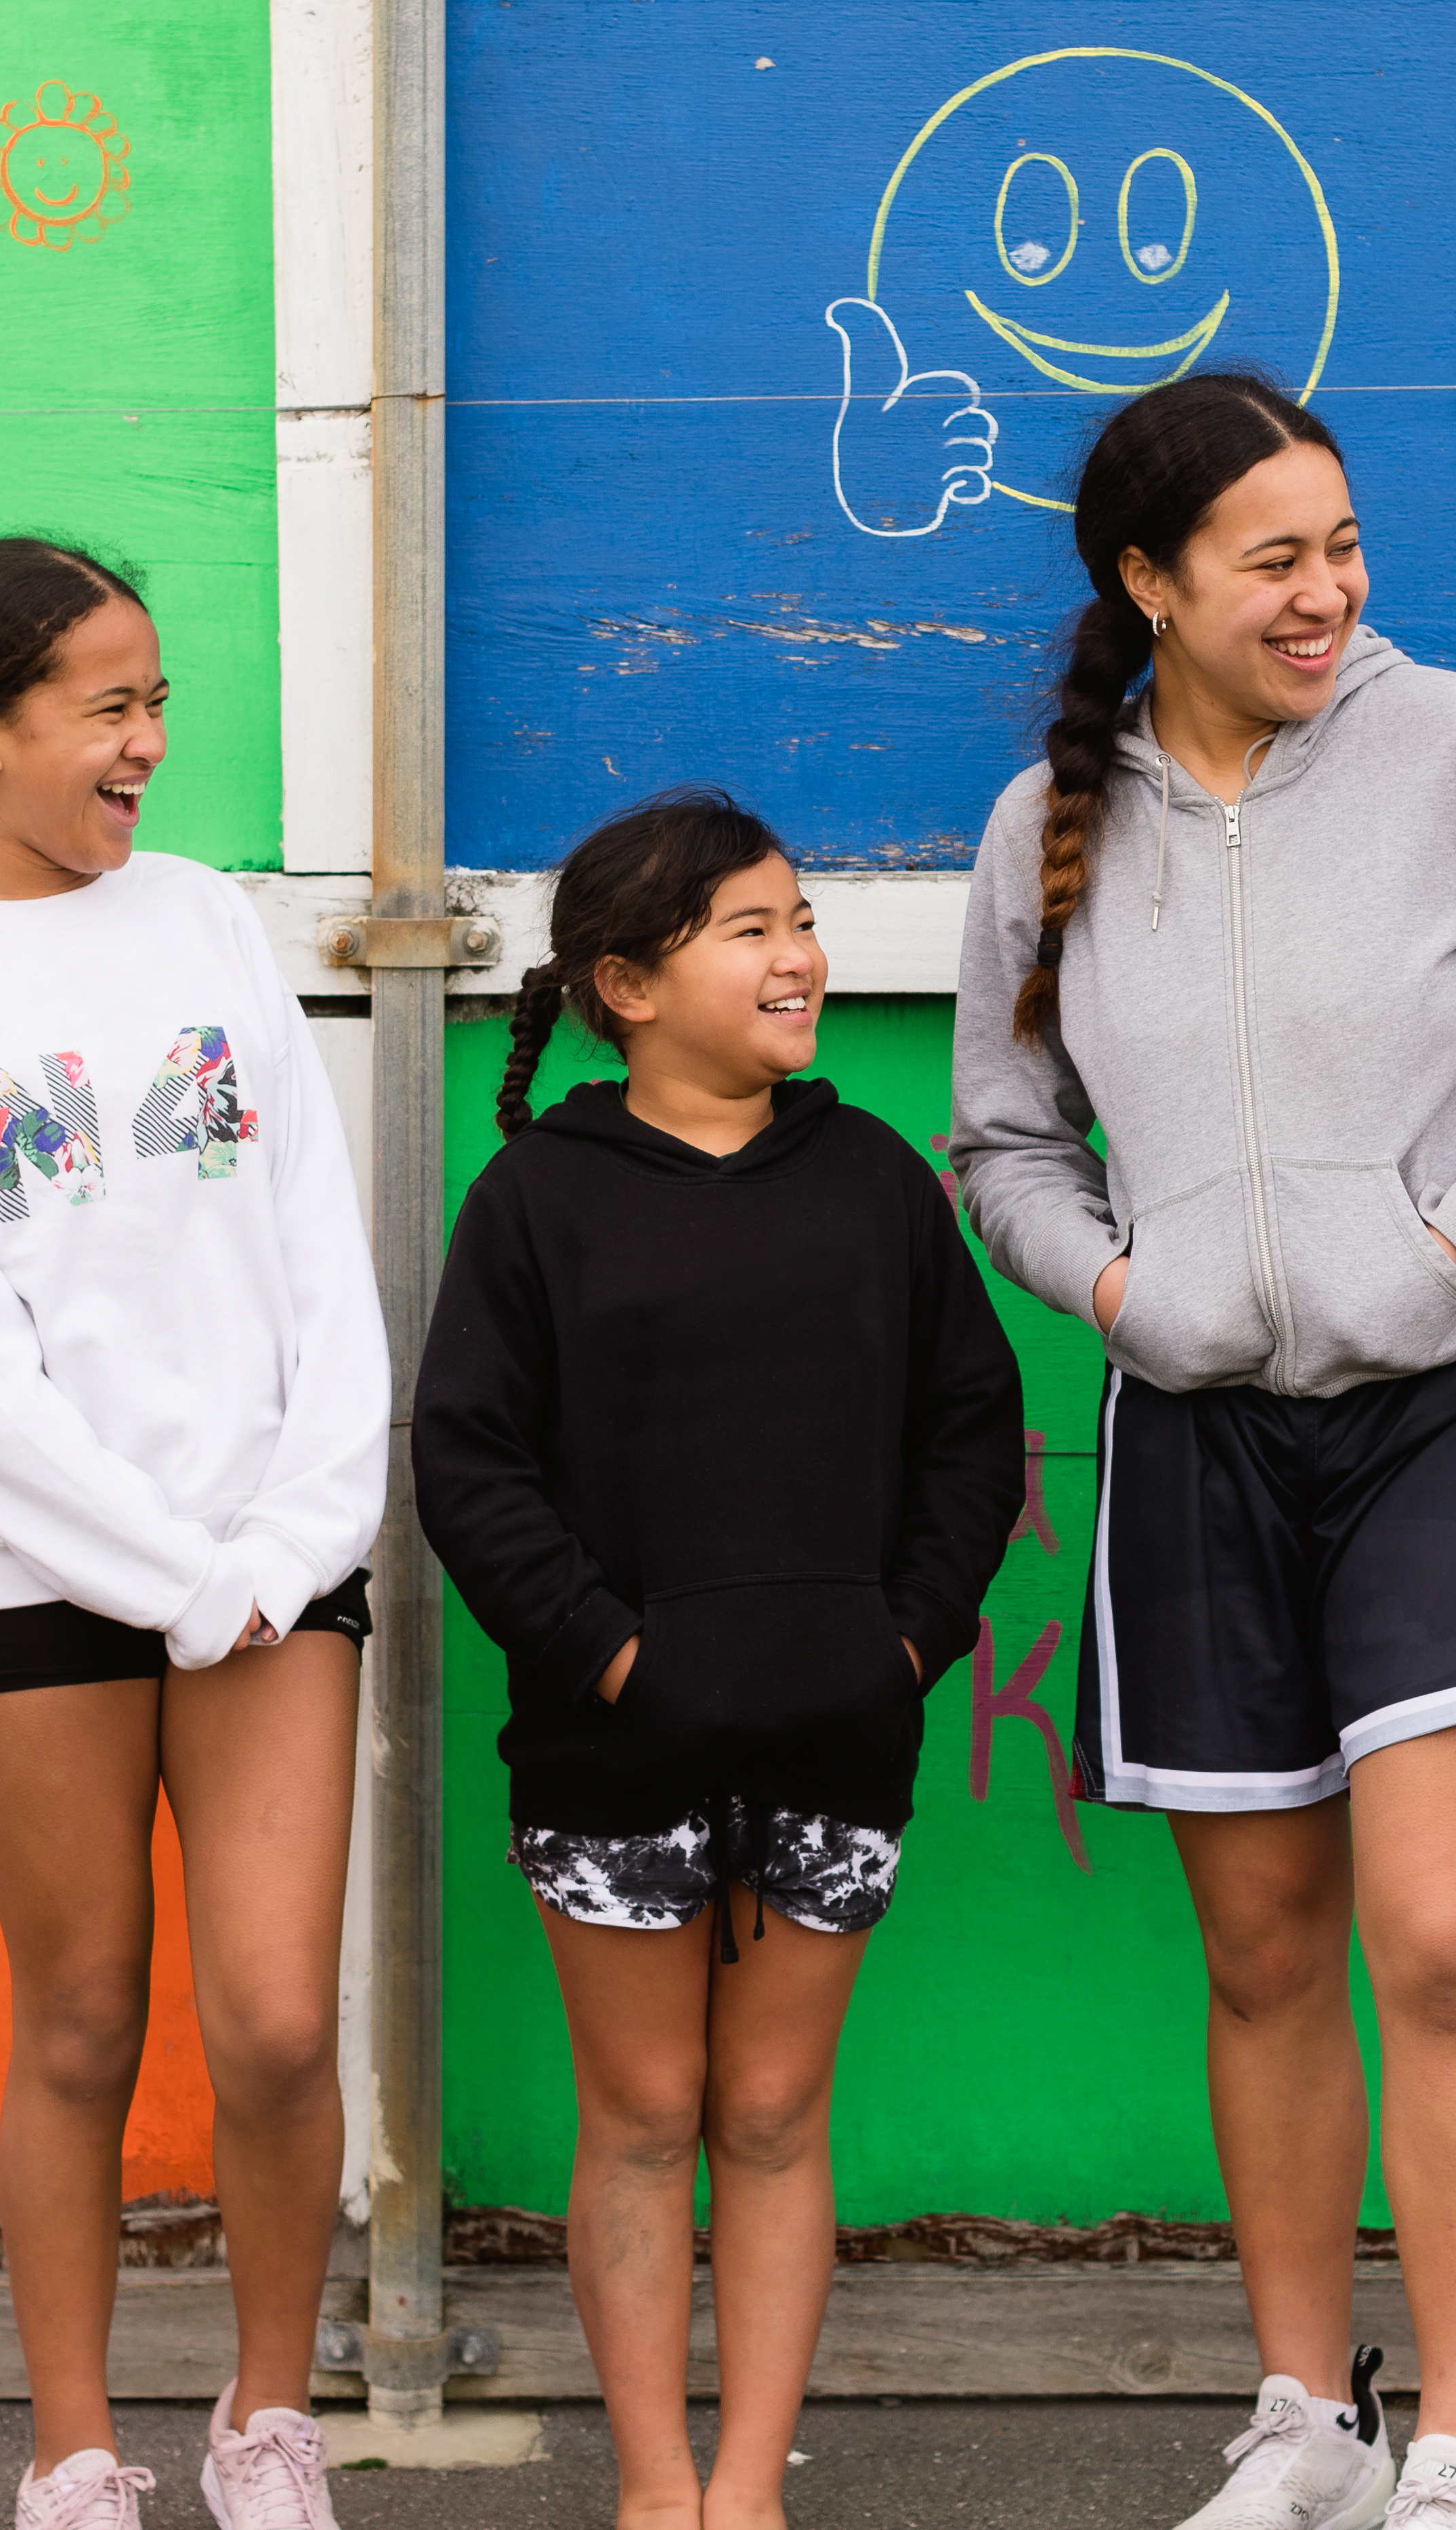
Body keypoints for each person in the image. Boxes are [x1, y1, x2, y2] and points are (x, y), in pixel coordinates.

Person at [951, 376, 1456, 2530]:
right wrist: (1112, 1292)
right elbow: (998, 1141)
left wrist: (1432, 1249)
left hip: (1455, 1400)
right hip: (1193, 1435)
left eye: (1340, 543)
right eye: (1272, 557)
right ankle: (1302, 2421)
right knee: (1261, 1950)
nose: (1326, 591)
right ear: (1144, 582)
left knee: (1436, 1937)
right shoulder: (1042, 826)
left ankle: (1455, 2442)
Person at [0, 536, 387, 2530]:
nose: (146, 745)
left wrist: (293, 1529)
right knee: (78, 2008)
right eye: (105, 707)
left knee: (280, 2017)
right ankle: (72, 2445)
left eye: (156, 703)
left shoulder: (203, 920)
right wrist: (163, 1566)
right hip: (30, 1564)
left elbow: (316, 1234)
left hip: (273, 1564)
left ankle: (267, 2416)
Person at [414, 787, 1027, 2530]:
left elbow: (972, 1440)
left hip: (838, 1748)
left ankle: (747, 2490)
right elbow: (470, 1462)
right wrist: (613, 1663)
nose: (799, 958)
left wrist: (901, 1644)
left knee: (768, 2110)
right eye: (749, 929)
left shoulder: (873, 1182)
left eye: (800, 921)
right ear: (623, 981)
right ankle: (654, 2489)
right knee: (642, 2111)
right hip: (615, 1758)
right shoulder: (536, 1200)